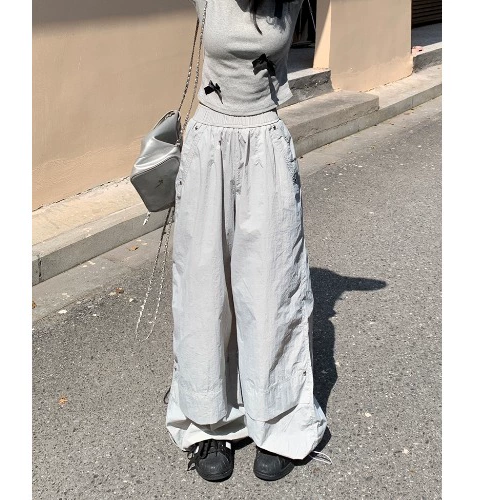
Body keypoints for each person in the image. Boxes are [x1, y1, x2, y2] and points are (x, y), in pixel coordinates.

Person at [166, 0, 326, 481]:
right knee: (203, 292)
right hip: (209, 144)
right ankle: (208, 420)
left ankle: (278, 421)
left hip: (265, 145)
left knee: (271, 290)